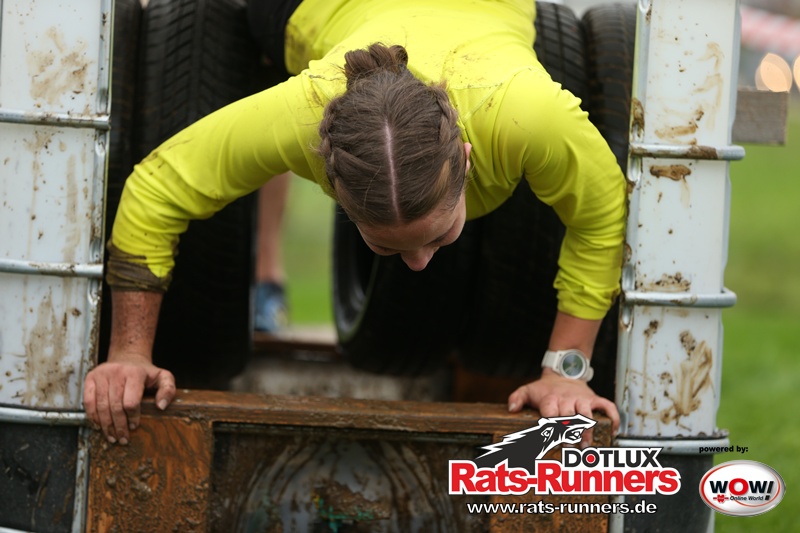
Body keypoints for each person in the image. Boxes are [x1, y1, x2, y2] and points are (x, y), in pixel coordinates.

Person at [84, 0, 625, 448]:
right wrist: (129, 352)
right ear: (325, 175)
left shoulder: (528, 116)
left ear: (466, 158)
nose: (419, 265)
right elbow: (156, 189)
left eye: (438, 235)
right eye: (386, 248)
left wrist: (565, 371)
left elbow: (600, 218)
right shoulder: (301, 114)